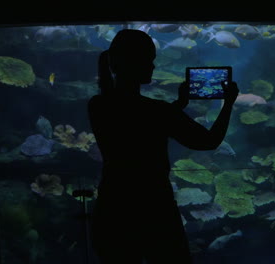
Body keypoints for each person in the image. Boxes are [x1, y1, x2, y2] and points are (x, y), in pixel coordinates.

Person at [87, 29, 238, 264]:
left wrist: (177, 105)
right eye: (149, 61)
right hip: (154, 208)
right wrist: (227, 103)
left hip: (113, 205)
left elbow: (137, 124)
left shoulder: (98, 105)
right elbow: (209, 141)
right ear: (135, 64)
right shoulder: (159, 111)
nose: (153, 67)